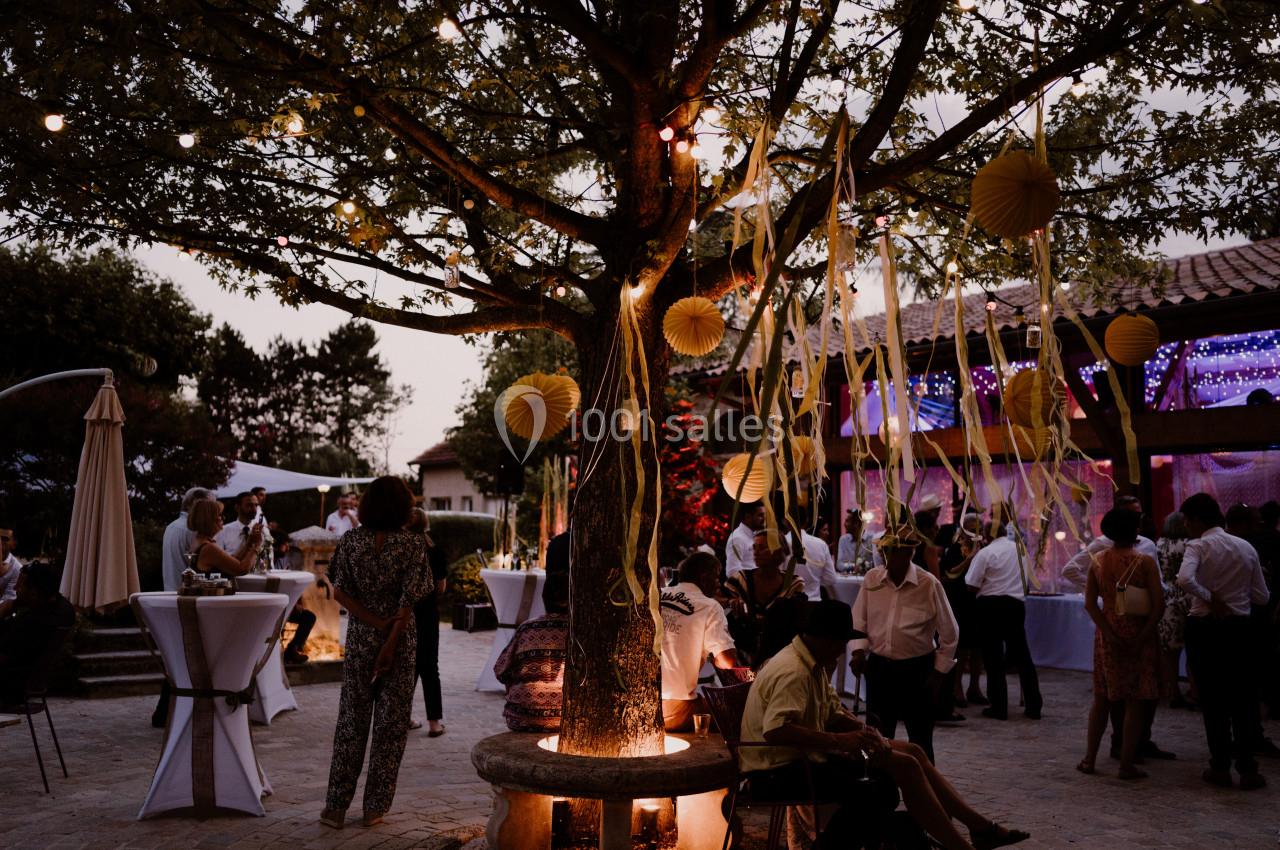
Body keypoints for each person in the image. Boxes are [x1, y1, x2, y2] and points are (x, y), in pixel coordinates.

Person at [740, 598, 1030, 850]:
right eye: (841, 641)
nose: (843, 649)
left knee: (913, 751)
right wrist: (842, 742)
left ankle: (977, 826)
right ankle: (962, 845)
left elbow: (830, 712)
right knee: (902, 769)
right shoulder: (794, 671)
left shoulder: (811, 663)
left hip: (802, 758)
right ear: (824, 638)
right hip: (779, 770)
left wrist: (862, 732)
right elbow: (776, 729)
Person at [321, 476, 433, 829]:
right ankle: (374, 808)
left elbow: (338, 593)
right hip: (399, 642)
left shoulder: (351, 541)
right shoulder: (414, 545)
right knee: (391, 726)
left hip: (360, 640)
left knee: (352, 722)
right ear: (404, 506)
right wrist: (389, 633)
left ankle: (335, 808)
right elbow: (408, 601)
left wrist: (372, 622)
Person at [1177, 492, 1270, 790]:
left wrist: (1210, 597)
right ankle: (1248, 767)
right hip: (1241, 628)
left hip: (1205, 628)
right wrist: (1235, 596)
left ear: (1196, 520)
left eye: (1188, 521)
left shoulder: (1199, 545)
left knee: (1213, 699)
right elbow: (1262, 596)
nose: (1187, 527)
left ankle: (1219, 765)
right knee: (1243, 697)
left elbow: (1184, 579)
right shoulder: (1245, 547)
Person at [851, 525, 959, 762]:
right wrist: (859, 651)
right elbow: (859, 620)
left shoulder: (927, 584)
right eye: (884, 550)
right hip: (880, 668)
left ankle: (924, 791)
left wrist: (938, 672)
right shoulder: (872, 579)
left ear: (909, 553)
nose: (885, 555)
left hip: (917, 669)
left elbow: (950, 633)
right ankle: (880, 792)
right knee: (877, 736)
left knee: (920, 739)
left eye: (892, 550)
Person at [1078, 508, 1166, 780]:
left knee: (1102, 699)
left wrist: (1108, 631)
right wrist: (1142, 636)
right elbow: (1158, 605)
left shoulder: (1098, 561)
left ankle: (1090, 759)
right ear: (1135, 531)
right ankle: (1126, 764)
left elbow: (1091, 604)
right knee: (1135, 701)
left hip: (1107, 635)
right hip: (1139, 633)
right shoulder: (1144, 563)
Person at [965, 522, 1042, 720]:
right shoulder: (1020, 550)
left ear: (985, 534)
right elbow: (1026, 580)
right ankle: (1034, 705)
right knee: (1023, 656)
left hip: (990, 606)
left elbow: (972, 584)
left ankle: (999, 707)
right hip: (1015, 605)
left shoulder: (986, 553)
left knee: (993, 658)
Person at [152, 486, 215, 727]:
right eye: (209, 507)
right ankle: (171, 711)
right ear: (196, 505)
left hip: (170, 595)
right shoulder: (192, 532)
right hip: (186, 600)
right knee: (186, 659)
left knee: (176, 658)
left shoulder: (171, 527)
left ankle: (164, 711)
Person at [660, 551, 740, 731]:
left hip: (641, 702)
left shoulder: (660, 594)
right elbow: (728, 661)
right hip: (673, 710)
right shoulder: (709, 606)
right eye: (717, 577)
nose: (719, 584)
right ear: (704, 578)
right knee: (736, 709)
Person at [494, 569, 570, 732]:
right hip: (568, 718)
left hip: (521, 717)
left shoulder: (527, 628)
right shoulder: (580, 632)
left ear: (544, 598)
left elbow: (500, 670)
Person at [724, 530, 807, 665]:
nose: (756, 552)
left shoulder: (793, 583)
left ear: (778, 551)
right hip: (743, 654)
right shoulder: (741, 578)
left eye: (762, 548)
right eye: (754, 548)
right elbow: (716, 599)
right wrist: (730, 602)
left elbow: (793, 620)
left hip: (779, 655)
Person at [0, 562, 76, 708]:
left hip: (11, 688)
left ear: (34, 593)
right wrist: (17, 603)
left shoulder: (30, 622)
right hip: (32, 684)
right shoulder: (64, 610)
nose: (15, 589)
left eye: (19, 586)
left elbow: (4, 654)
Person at [407, 507, 449, 736]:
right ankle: (434, 722)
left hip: (403, 615)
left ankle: (403, 716)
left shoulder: (399, 551)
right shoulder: (435, 551)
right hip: (428, 614)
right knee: (430, 668)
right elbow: (441, 587)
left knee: (407, 666)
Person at [1060, 495, 1158, 590]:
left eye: (1138, 515)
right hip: (1113, 604)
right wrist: (1100, 588)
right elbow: (1070, 570)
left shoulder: (1148, 544)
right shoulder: (1103, 543)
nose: (1135, 520)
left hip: (1145, 604)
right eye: (1129, 515)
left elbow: (1158, 581)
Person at [939, 512, 985, 714]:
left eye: (980, 529)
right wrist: (970, 560)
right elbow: (947, 576)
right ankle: (957, 688)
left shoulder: (985, 549)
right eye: (974, 529)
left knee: (978, 648)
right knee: (961, 648)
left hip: (978, 603)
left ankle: (975, 686)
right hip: (959, 601)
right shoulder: (954, 550)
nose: (978, 533)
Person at [1156, 512, 1194, 709]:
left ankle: (1173, 692)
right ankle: (1195, 690)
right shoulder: (1189, 545)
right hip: (1187, 598)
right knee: (1193, 650)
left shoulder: (1159, 544)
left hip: (1166, 599)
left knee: (1169, 652)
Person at [187, 498, 265, 577]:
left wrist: (248, 544)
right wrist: (257, 546)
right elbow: (241, 569)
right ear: (209, 519)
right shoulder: (208, 548)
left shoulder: (199, 541)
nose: (224, 518)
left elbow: (232, 561)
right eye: (220, 515)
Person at [161, 488, 214, 592]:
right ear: (194, 504)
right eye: (210, 507)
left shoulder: (171, 526)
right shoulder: (194, 530)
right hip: (188, 595)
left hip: (170, 592)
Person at [215, 491, 274, 572]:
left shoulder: (263, 531)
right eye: (249, 505)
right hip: (232, 576)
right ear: (237, 507)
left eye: (256, 505)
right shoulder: (224, 531)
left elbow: (269, 559)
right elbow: (218, 561)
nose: (254, 509)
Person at [795, 513, 839, 603]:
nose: (827, 533)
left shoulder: (781, 543)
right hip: (813, 602)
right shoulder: (821, 544)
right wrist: (815, 579)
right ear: (806, 521)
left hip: (787, 605)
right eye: (824, 529)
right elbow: (830, 579)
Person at [725, 503, 765, 579]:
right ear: (748, 517)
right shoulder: (737, 538)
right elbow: (732, 571)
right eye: (760, 515)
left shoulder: (756, 535)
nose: (764, 519)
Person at [836, 508, 881, 574]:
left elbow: (876, 564)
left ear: (856, 524)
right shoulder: (843, 540)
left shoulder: (872, 539)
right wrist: (854, 566)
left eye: (847, 521)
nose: (844, 524)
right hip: (849, 581)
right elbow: (839, 565)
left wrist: (863, 566)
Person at [0, 528, 21, 619]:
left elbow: (8, 599)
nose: (0, 541)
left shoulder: (16, 568)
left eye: (5, 539)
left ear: (13, 544)